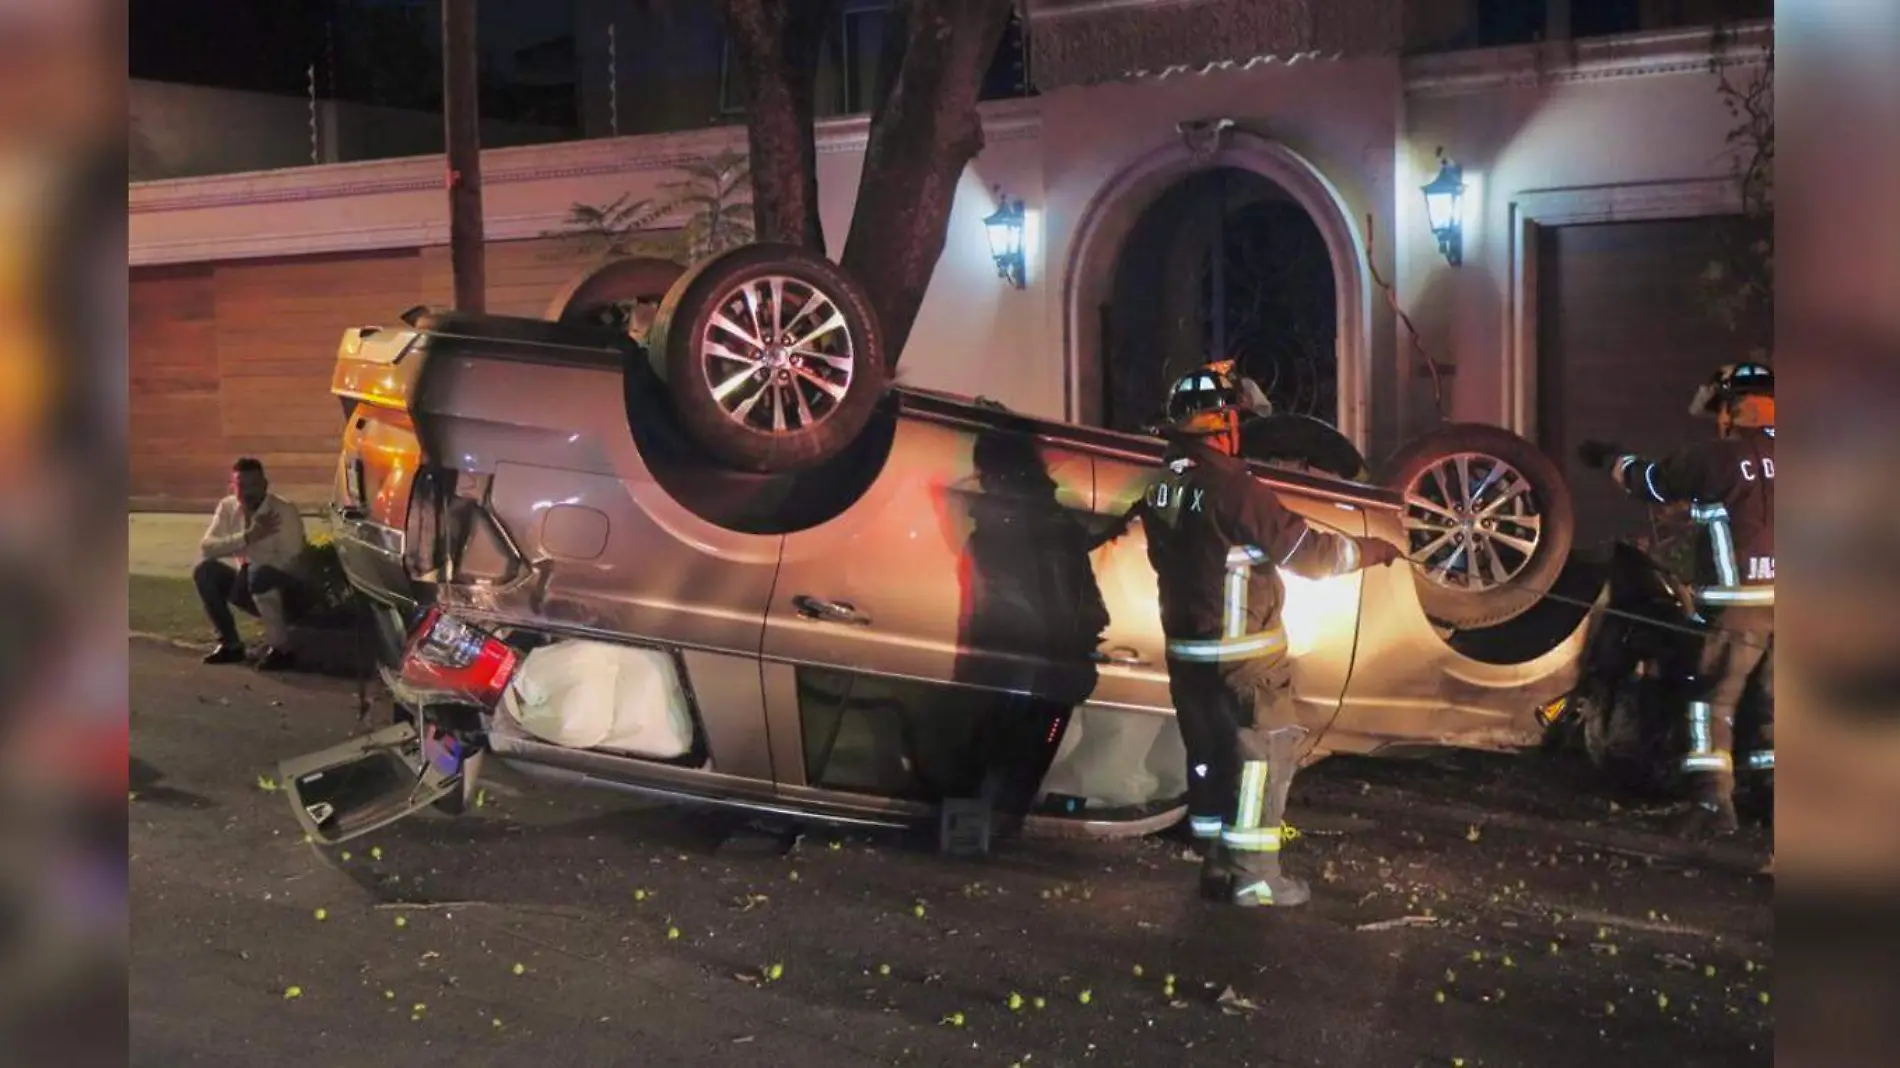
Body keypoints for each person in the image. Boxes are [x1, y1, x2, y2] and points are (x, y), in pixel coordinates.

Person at [1095, 360, 1401, 907]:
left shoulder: (1163, 483)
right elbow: (1307, 555)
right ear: (1220, 426)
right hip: (1244, 663)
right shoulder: (1234, 488)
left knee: (1209, 759)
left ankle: (1217, 864)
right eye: (1236, 420)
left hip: (1189, 656)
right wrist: (1372, 550)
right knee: (1261, 761)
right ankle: (1254, 875)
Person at [1579, 361, 1775, 836]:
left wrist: (1612, 459)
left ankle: (1712, 805)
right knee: (1773, 705)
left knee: (1712, 702)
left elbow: (1650, 482)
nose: (1720, 422)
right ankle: (1771, 795)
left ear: (1733, 408)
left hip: (1734, 608)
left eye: (1722, 411)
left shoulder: (1716, 458)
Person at [194, 457, 309, 670]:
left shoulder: (283, 511)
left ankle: (282, 649)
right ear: (232, 487)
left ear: (265, 485)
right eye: (242, 486)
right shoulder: (227, 507)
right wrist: (248, 537)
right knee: (205, 571)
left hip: (288, 590)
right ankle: (230, 645)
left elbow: (293, 560)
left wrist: (256, 569)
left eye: (254, 485)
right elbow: (207, 547)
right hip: (249, 583)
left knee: (259, 573)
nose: (248, 492)